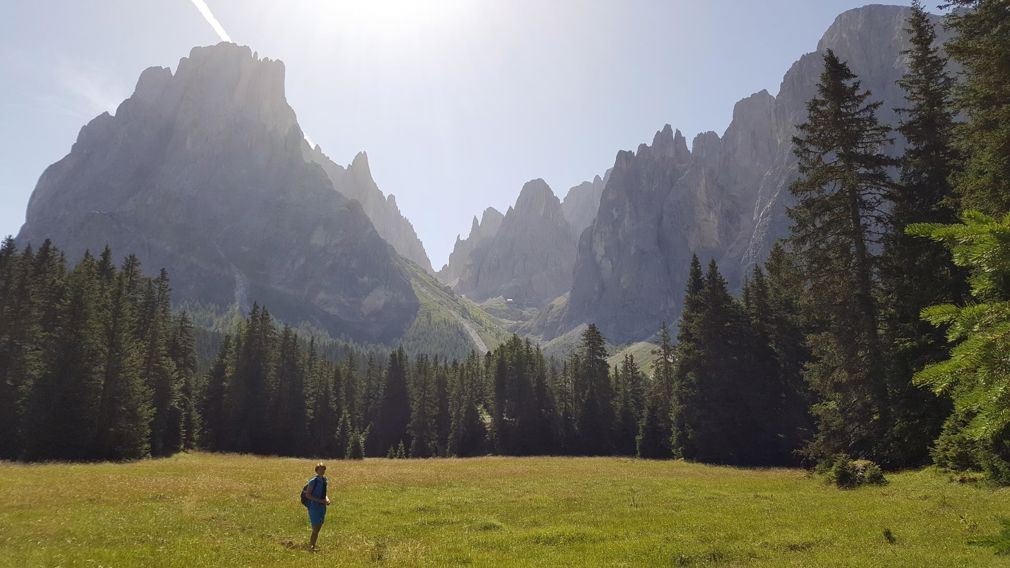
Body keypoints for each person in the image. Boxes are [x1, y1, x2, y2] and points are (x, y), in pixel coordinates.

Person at [303, 462, 330, 551]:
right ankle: (311, 547)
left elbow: (324, 494)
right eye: (320, 469)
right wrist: (320, 501)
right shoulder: (313, 481)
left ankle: (312, 546)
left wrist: (327, 499)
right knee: (315, 528)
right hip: (314, 507)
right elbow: (308, 495)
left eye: (323, 469)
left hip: (322, 507)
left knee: (318, 528)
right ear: (316, 470)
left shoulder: (324, 480)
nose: (322, 471)